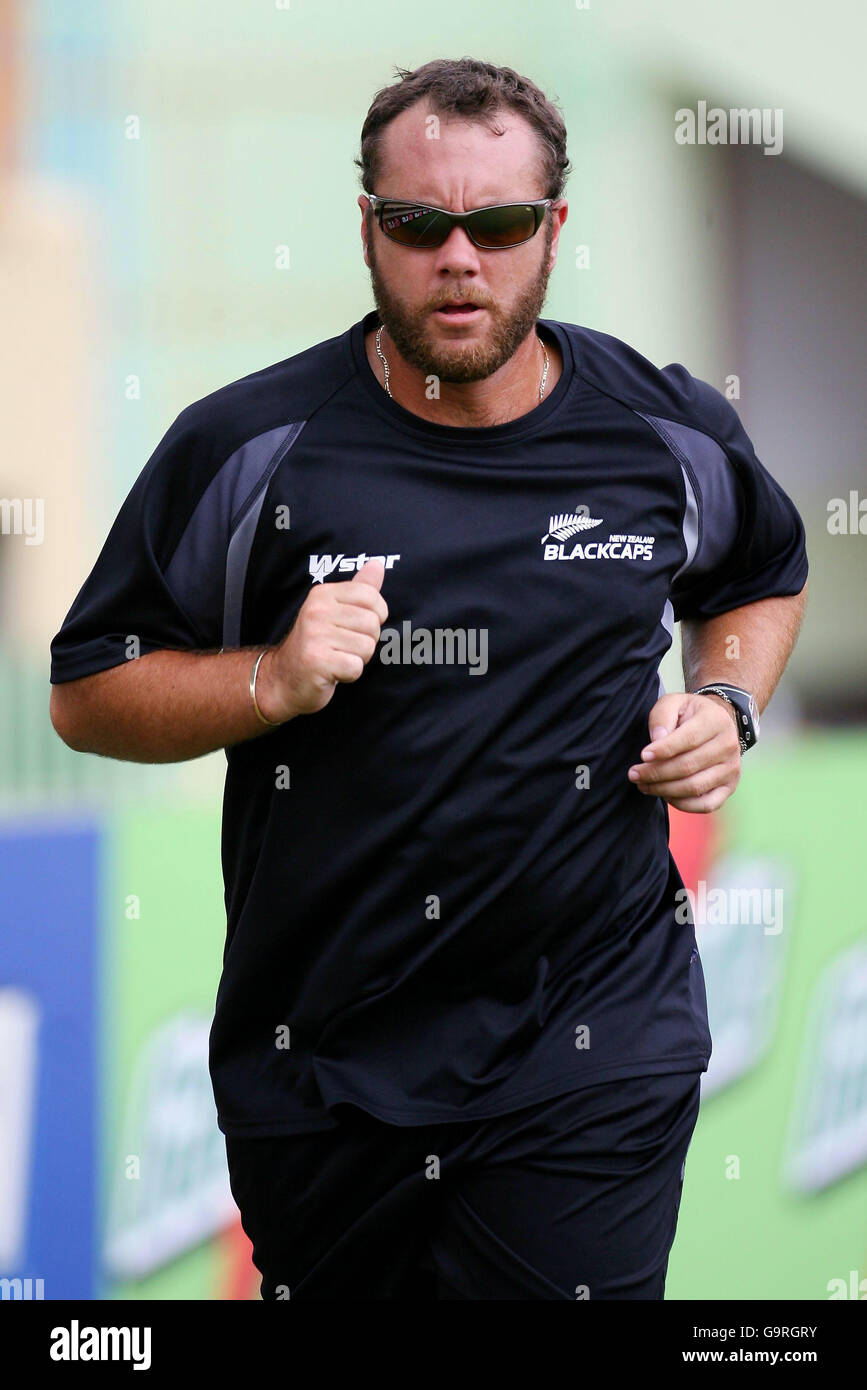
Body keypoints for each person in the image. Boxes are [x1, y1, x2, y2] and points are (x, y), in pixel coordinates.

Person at [49, 58, 808, 1300]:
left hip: (589, 1044)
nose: (461, 258)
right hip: (325, 1067)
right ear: (369, 229)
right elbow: (88, 694)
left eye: (499, 223)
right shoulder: (250, 447)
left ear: (552, 231)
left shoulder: (660, 430)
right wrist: (270, 683)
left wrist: (725, 702)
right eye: (419, 224)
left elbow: (760, 578)